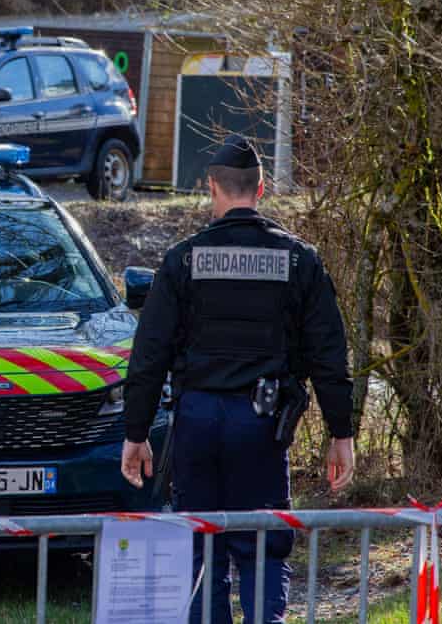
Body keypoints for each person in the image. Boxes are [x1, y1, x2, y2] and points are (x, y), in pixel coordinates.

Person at [121, 135, 355, 624]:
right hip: (261, 424)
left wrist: (136, 433)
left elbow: (149, 355)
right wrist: (341, 433)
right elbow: (328, 355)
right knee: (263, 543)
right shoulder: (298, 261)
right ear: (262, 188)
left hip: (197, 420)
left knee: (202, 545)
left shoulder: (183, 260)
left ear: (212, 187)